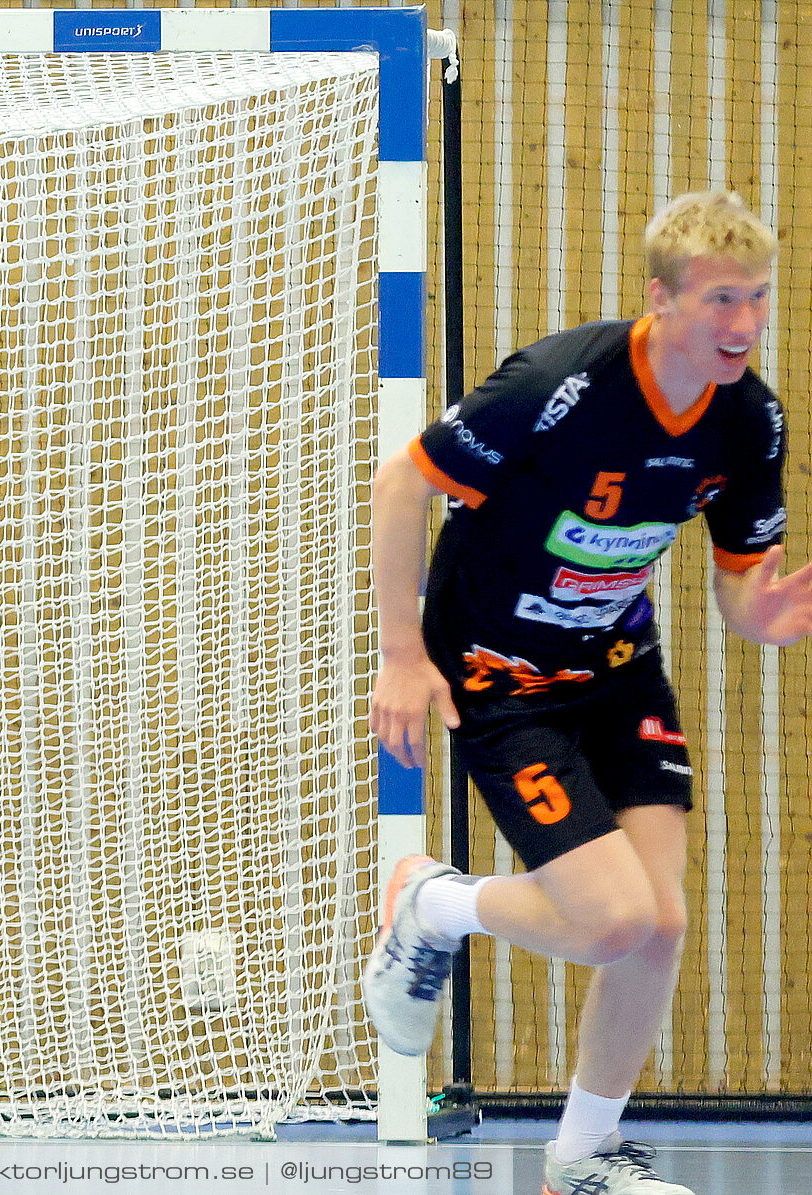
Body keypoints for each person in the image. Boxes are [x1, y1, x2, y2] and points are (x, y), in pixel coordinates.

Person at [364, 190, 812, 1195]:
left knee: (662, 927)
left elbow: (740, 581)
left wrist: (762, 618)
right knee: (613, 921)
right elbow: (404, 481)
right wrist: (403, 650)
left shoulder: (750, 419)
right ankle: (437, 903)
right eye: (721, 298)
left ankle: (580, 1159)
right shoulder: (562, 385)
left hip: (617, 671)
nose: (743, 323)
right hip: (499, 677)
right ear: (663, 298)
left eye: (760, 298)